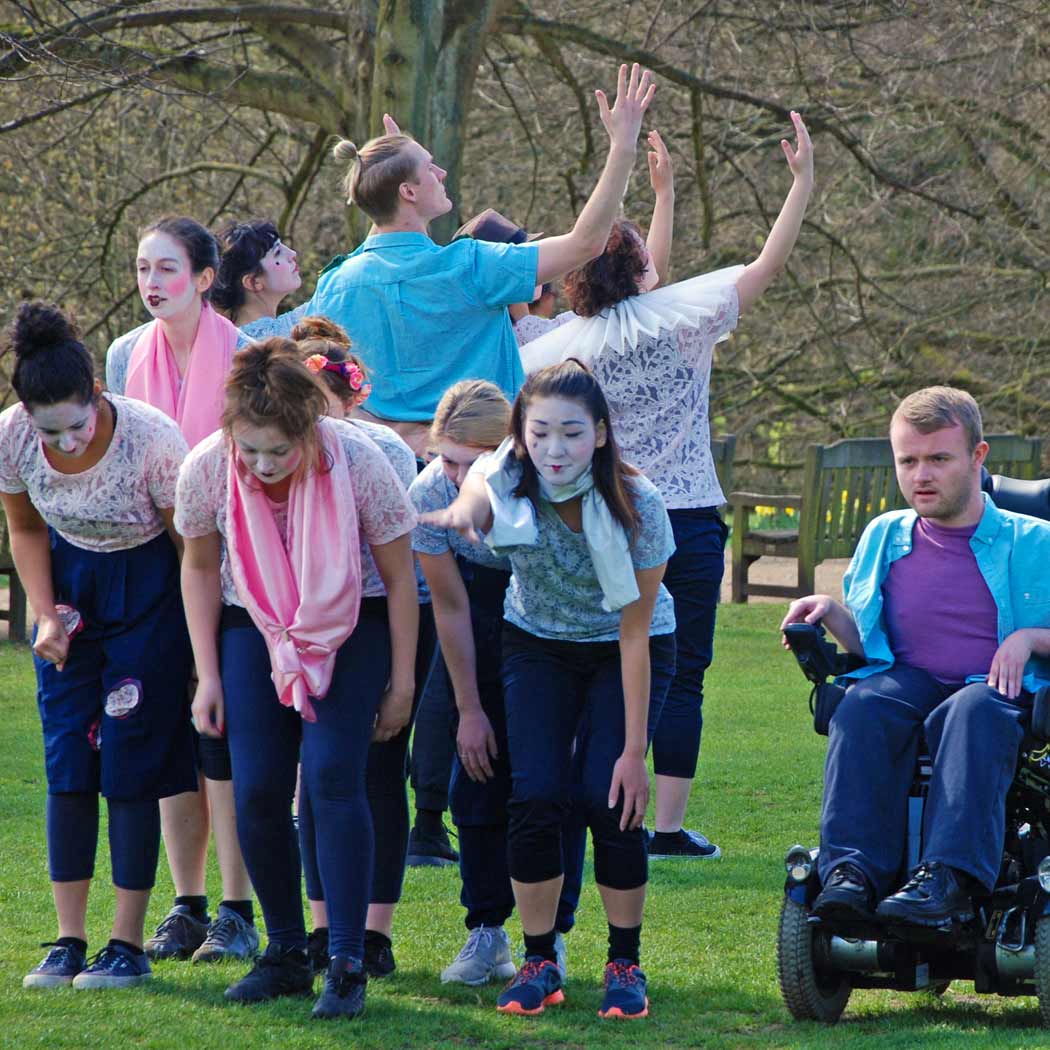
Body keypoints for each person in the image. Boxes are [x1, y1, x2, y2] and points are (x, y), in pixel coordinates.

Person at [517, 115, 814, 861]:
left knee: (602, 657)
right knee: (684, 668)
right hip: (687, 518)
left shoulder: (559, 349)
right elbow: (763, 266)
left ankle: (598, 798)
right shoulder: (682, 326)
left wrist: (664, 198)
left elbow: (643, 279)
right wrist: (802, 185)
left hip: (597, 516)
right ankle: (670, 826)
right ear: (644, 272)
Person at [424, 360, 677, 1019]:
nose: (554, 449)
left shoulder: (639, 507)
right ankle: (538, 960)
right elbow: (480, 481)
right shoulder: (506, 475)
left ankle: (626, 961)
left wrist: (631, 752)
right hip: (535, 641)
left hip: (625, 645)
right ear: (521, 435)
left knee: (610, 794)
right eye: (539, 434)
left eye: (570, 433)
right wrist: (462, 510)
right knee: (534, 795)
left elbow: (634, 633)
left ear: (599, 433)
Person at [175, 339, 418, 1020]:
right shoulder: (207, 468)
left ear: (310, 430)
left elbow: (401, 579)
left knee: (336, 777)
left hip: (353, 618)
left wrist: (402, 682)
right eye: (249, 449)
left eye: (278, 451)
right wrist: (207, 674)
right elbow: (198, 567)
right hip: (251, 623)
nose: (263, 464)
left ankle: (345, 960)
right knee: (255, 789)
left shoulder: (359, 460)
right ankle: (283, 951)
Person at [780, 387, 1050, 927]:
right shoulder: (884, 534)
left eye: (938, 459)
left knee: (970, 711)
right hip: (908, 680)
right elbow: (871, 643)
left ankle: (946, 878)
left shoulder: (1036, 540)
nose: (921, 475)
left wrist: (1029, 640)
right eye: (908, 460)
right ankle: (851, 875)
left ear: (978, 456)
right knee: (862, 707)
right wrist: (830, 611)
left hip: (995, 689)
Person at [294, 62, 656, 457]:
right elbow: (586, 243)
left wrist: (388, 174)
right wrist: (623, 148)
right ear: (409, 193)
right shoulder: (471, 266)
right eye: (429, 168)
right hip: (482, 474)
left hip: (381, 467)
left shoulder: (335, 283)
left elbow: (323, 386)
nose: (442, 172)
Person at [4, 302, 196, 990]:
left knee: (129, 762)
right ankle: (67, 940)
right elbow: (24, 527)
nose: (67, 441)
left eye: (77, 424)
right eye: (49, 429)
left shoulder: (153, 439)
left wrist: (203, 650)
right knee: (67, 765)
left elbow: (193, 551)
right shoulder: (14, 438)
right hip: (69, 592)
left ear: (99, 396)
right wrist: (45, 613)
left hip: (150, 592)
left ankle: (126, 943)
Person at [106, 216, 257, 964]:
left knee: (221, 737)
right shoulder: (124, 354)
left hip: (232, 572)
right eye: (142, 269)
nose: (152, 283)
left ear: (204, 278)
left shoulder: (250, 357)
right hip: (147, 573)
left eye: (167, 269)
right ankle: (187, 905)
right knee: (168, 739)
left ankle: (239, 907)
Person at [410, 380, 583, 985]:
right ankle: (486, 930)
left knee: (546, 783)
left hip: (557, 626)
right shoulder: (430, 491)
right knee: (475, 778)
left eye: (467, 461)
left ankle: (552, 933)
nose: (453, 475)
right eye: (444, 458)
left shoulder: (551, 483)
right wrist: (469, 710)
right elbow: (450, 608)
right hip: (480, 619)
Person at [290, 316, 441, 977]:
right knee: (316, 781)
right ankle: (325, 927)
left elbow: (397, 561)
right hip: (303, 620)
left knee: (379, 774)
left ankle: (374, 931)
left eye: (327, 406)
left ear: (351, 399)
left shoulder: (383, 448)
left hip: (381, 613)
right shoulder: (277, 444)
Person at [212, 219, 308, 341]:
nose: (292, 253)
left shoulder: (227, 342)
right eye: (277, 252)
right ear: (253, 282)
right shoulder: (274, 340)